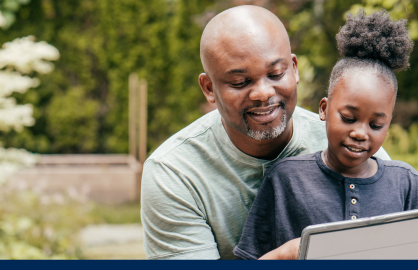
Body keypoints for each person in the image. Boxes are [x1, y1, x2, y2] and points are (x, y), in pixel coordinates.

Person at [140, 5, 390, 260]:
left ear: (294, 69)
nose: (263, 93)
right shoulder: (174, 173)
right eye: (240, 82)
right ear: (209, 88)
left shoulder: (354, 145)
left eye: (276, 74)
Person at [233, 9, 418, 260]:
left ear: (389, 125)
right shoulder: (286, 180)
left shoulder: (405, 184)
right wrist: (288, 252)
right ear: (324, 109)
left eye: (376, 125)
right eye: (348, 118)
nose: (360, 133)